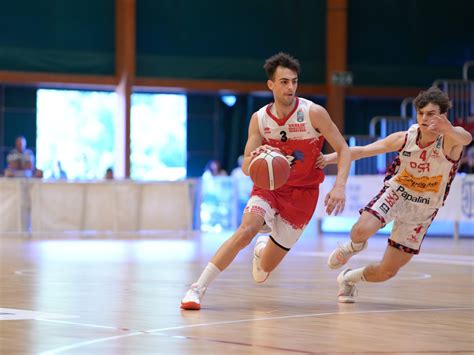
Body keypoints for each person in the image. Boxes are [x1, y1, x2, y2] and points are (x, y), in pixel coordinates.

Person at [181, 52, 351, 310]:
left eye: (294, 81)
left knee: (264, 270)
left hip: (303, 195)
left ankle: (264, 248)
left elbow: (344, 150)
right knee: (245, 230)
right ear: (270, 84)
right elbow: (248, 165)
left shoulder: (313, 113)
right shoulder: (259, 119)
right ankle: (197, 288)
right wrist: (258, 157)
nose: (290, 87)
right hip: (269, 187)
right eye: (284, 82)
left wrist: (339, 186)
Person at [318, 86, 472, 303]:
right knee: (359, 231)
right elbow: (362, 151)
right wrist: (329, 158)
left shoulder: (451, 140)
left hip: (423, 210)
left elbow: (466, 138)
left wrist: (448, 128)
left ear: (443, 116)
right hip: (396, 194)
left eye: (431, 114)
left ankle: (348, 278)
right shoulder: (405, 137)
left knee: (387, 272)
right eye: (421, 113)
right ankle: (353, 247)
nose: (425, 118)